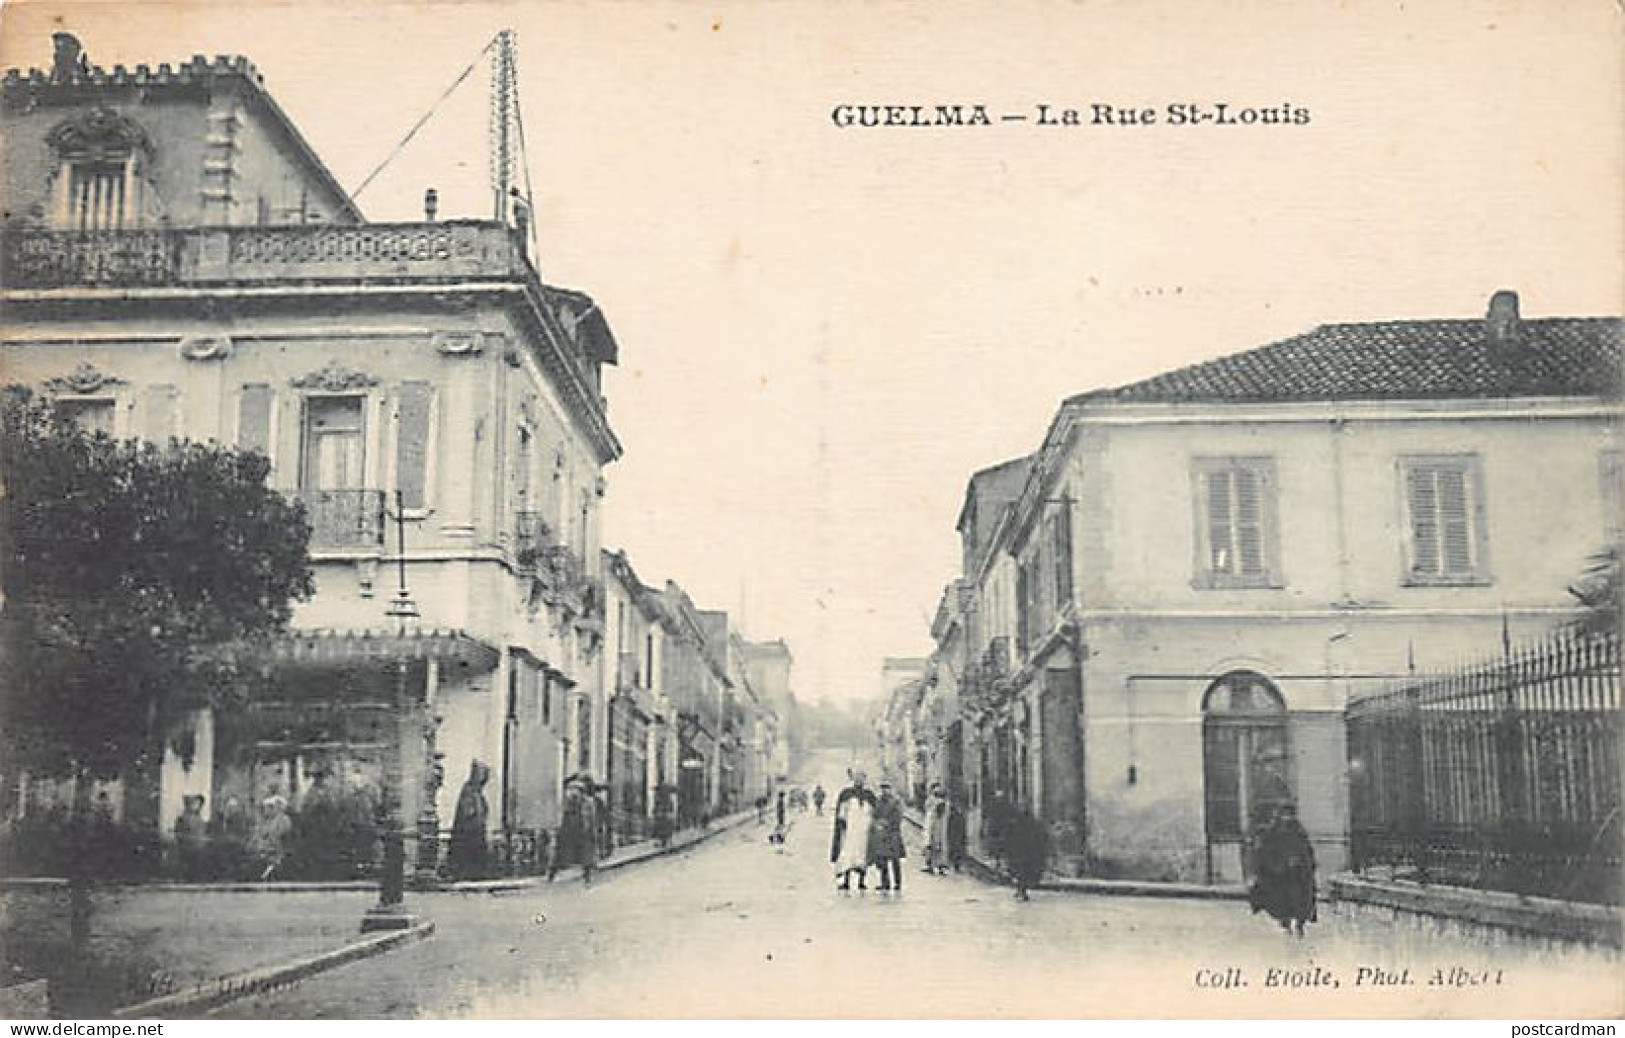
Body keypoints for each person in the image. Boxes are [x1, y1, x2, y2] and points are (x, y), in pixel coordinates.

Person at [1248, 803, 1318, 936]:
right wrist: (1279, 864)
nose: (1287, 818)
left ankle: (1299, 924)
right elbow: (1265, 852)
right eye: (1284, 815)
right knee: (1282, 901)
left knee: (1301, 901)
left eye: (1289, 815)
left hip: (1298, 875)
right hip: (1280, 876)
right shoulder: (1273, 832)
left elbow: (1306, 850)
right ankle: (1286, 924)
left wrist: (1303, 863)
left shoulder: (1298, 831)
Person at [829, 771, 875, 890]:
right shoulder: (846, 794)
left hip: (864, 831)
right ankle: (846, 881)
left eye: (861, 778)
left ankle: (861, 881)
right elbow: (841, 812)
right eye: (857, 778)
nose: (859, 781)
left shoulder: (869, 795)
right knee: (847, 855)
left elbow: (874, 812)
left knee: (862, 855)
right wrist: (842, 824)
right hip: (849, 831)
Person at [447, 760, 492, 881]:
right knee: (468, 852)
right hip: (469, 832)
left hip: (476, 831)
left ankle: (475, 873)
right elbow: (468, 811)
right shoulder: (468, 791)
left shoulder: (477, 792)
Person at [868, 779, 907, 892]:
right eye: (883, 788)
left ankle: (897, 882)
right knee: (882, 859)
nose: (885, 790)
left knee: (895, 860)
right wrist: (877, 824)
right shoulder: (878, 801)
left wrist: (887, 824)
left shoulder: (896, 802)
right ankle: (885, 883)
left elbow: (898, 816)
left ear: (891, 789)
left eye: (887, 788)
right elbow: (874, 814)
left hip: (893, 833)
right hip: (881, 834)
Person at [1005, 804, 1048, 901]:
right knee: (1022, 873)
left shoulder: (1016, 824)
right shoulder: (1033, 824)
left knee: (1021, 873)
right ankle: (1021, 891)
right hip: (1024, 853)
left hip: (1021, 853)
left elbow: (1008, 838)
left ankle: (1021, 891)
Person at [249, 792, 292, 880]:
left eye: (268, 808)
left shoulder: (284, 819)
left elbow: (280, 835)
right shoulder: (266, 821)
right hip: (263, 849)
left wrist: (266, 836)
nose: (265, 810)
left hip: (275, 850)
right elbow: (258, 834)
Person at [172, 794, 208, 880]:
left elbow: (202, 832)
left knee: (197, 870)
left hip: (198, 849)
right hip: (187, 849)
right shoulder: (182, 819)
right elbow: (179, 834)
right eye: (195, 804)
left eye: (199, 804)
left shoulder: (199, 818)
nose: (197, 806)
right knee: (187, 870)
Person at [923, 784, 950, 875]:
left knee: (937, 846)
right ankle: (932, 865)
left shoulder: (940, 804)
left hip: (938, 827)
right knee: (932, 845)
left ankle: (939, 866)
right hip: (933, 826)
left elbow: (938, 817)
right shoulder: (934, 803)